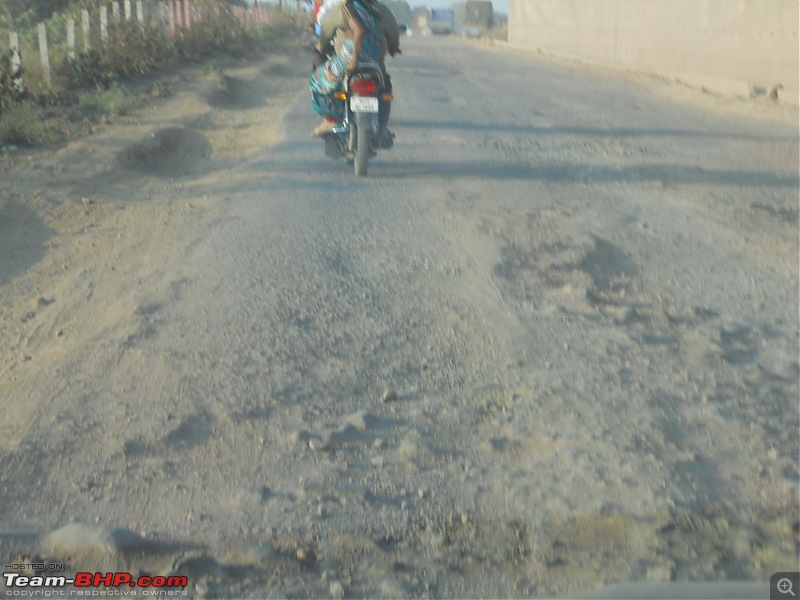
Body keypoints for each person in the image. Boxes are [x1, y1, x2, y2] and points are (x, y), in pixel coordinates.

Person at [309, 0, 383, 138]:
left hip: (351, 54)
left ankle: (331, 120)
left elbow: (359, 31)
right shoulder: (369, 8)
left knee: (316, 81)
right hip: (372, 56)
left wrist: (354, 61)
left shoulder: (348, 7)